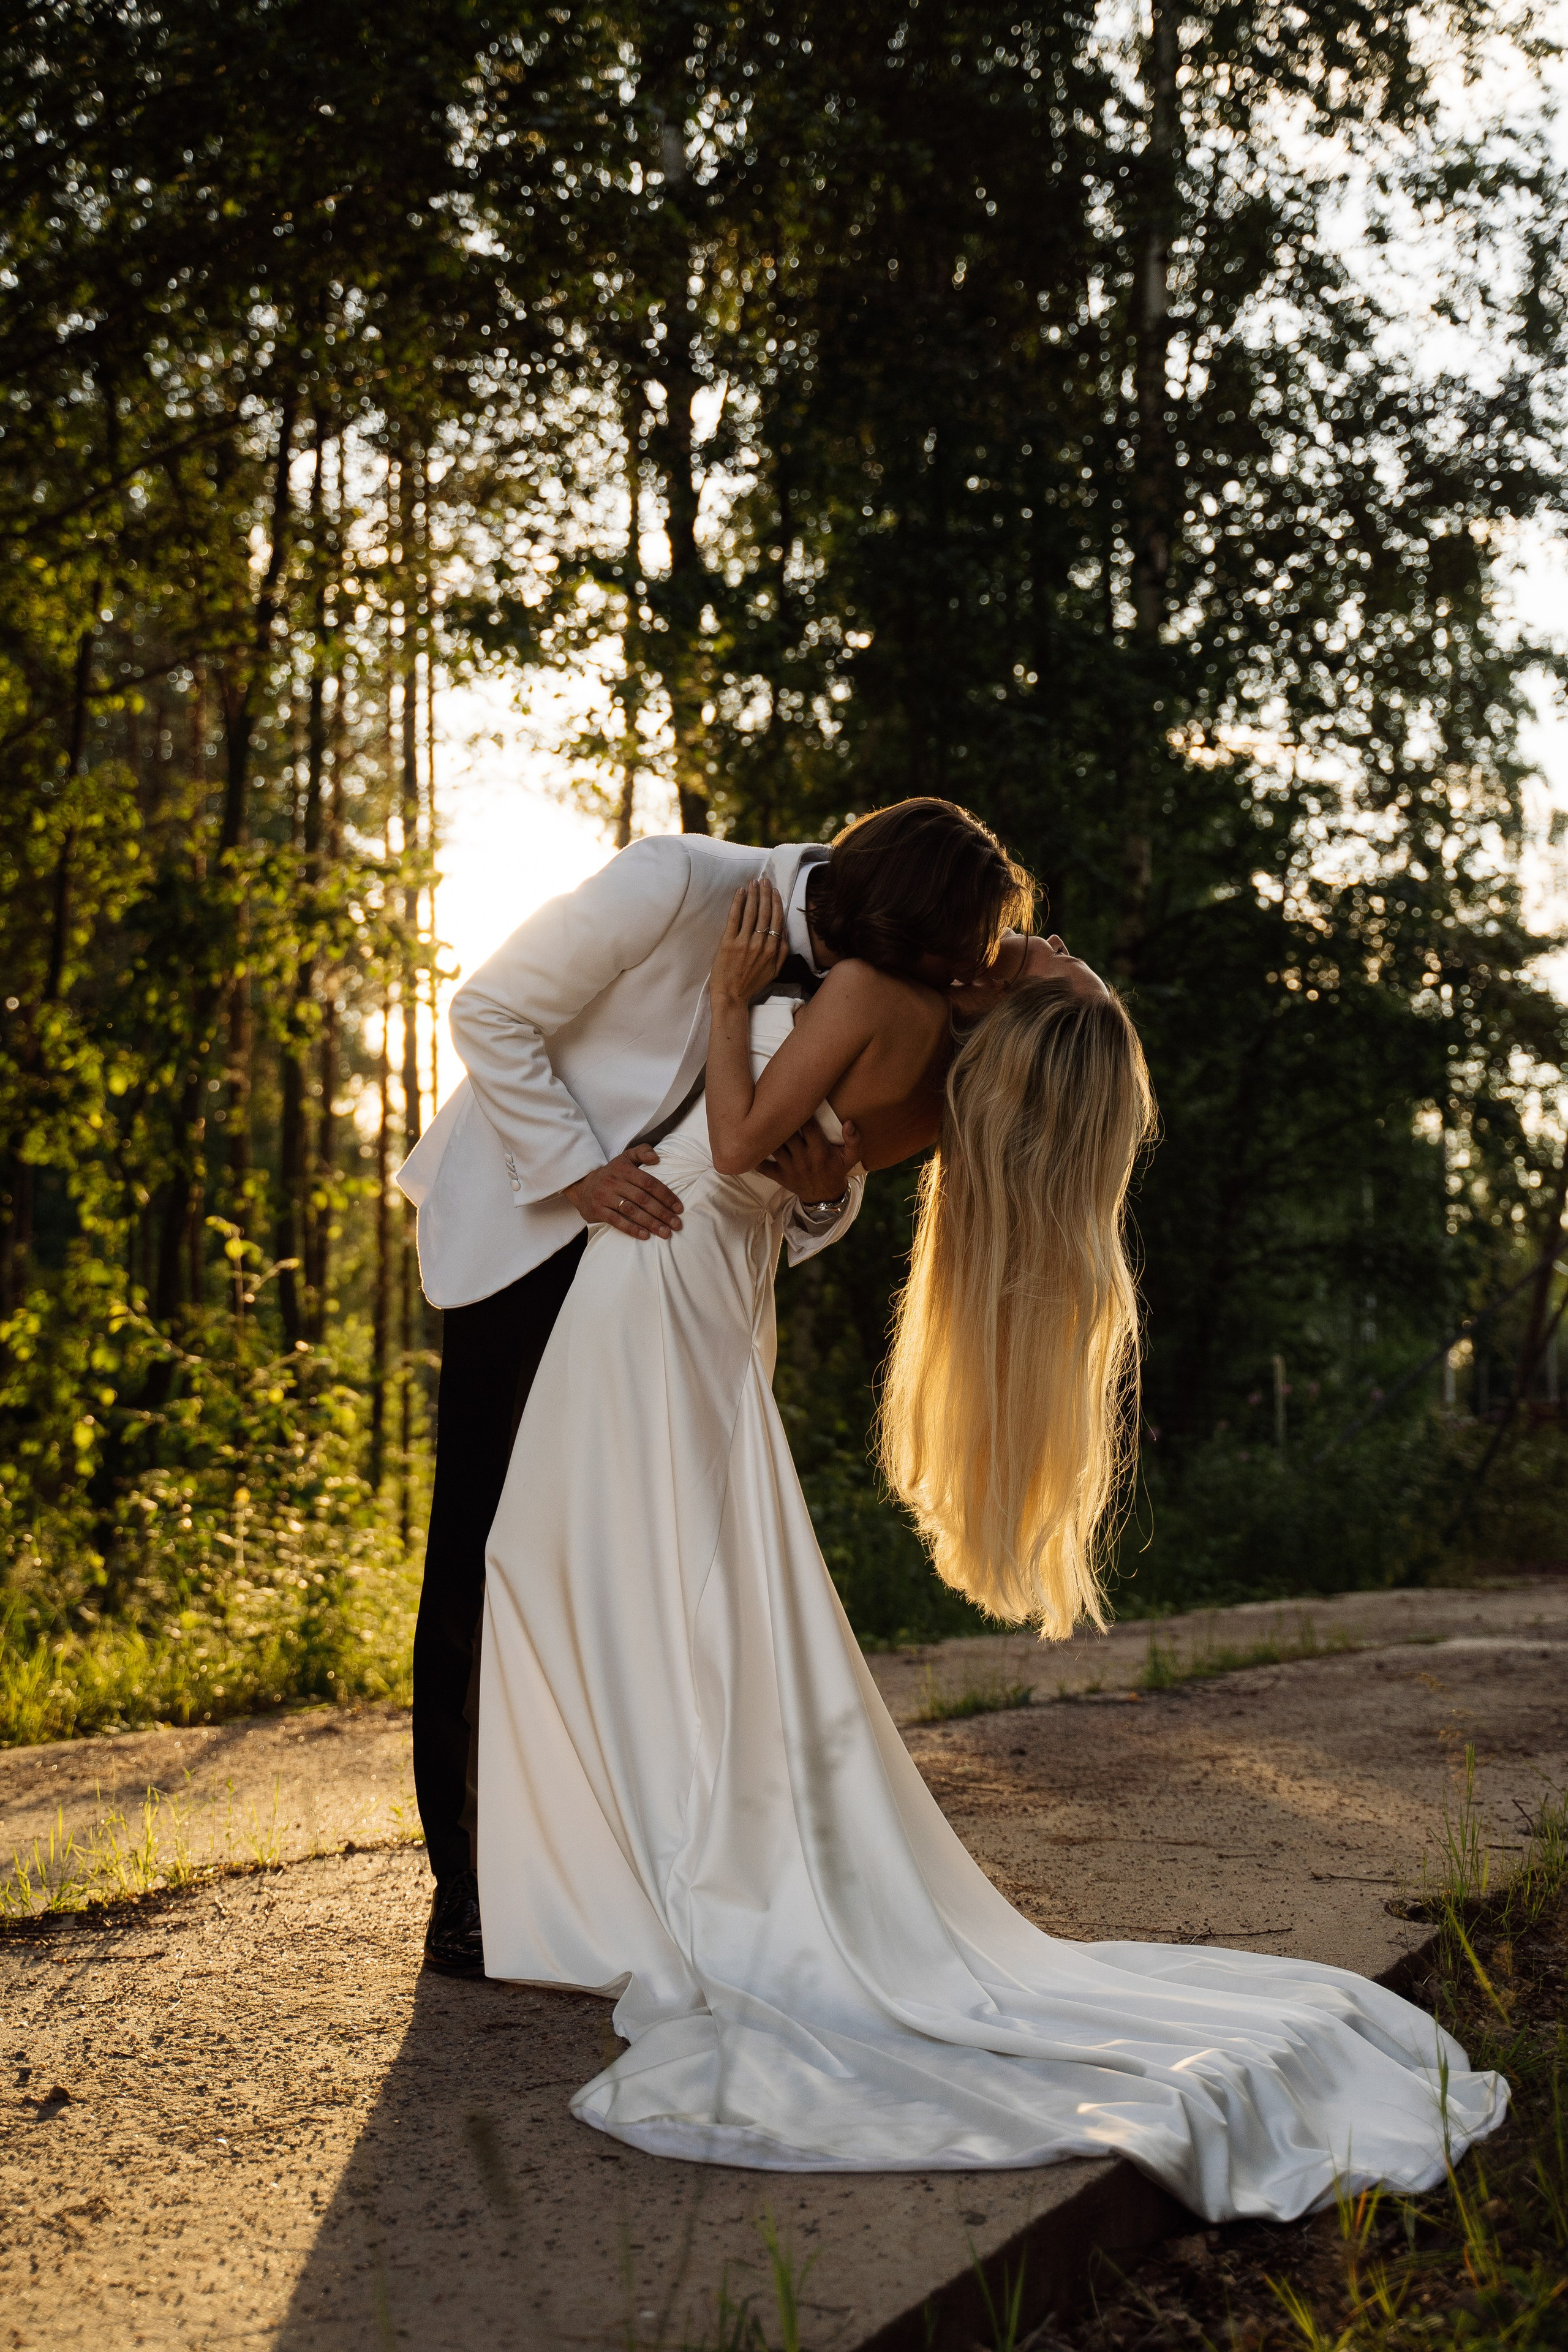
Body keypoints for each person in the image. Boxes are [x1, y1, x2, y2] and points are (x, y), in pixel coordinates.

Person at [473, 872, 1507, 2215]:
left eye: (1066, 969)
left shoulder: (876, 990)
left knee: (597, 1571)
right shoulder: (948, 1074)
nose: (1063, 941)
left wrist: (732, 1009)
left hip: (660, 1268)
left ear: (1013, 1000)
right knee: (650, 1579)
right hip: (692, 1279)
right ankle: (639, 1877)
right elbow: (811, 1178)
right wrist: (817, 1178)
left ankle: (642, 1888)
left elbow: (742, 1157)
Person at [396, 799, 1036, 1973]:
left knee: (647, 1561)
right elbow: (487, 1008)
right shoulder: (674, 880)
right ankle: (470, 1887)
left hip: (674, 1292)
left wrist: (827, 1182)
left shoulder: (871, 975)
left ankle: (614, 1855)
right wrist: (579, 1174)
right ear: (883, 918)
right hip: (530, 1235)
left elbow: (791, 1184)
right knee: (487, 1555)